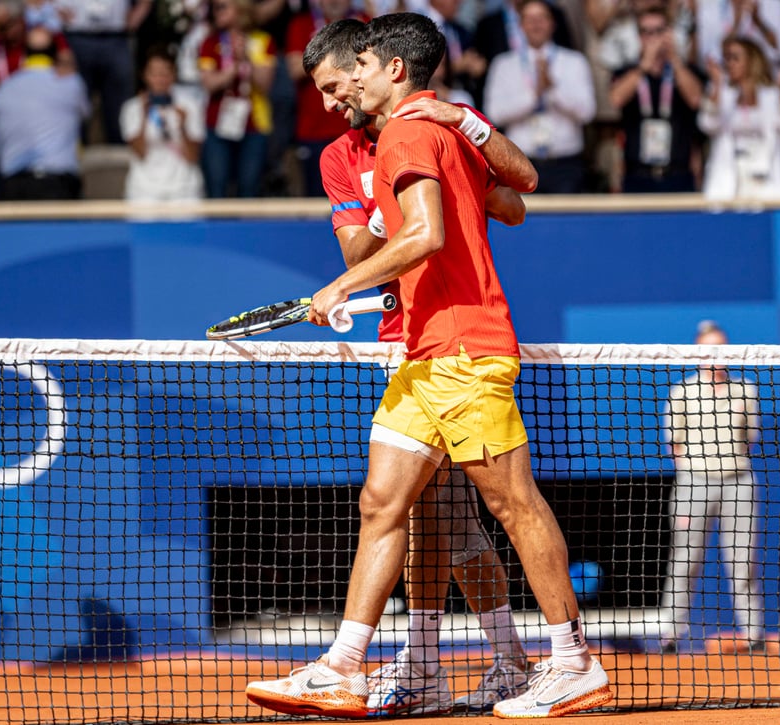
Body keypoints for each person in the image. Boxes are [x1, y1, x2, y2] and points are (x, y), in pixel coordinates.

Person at [246, 13, 614, 719]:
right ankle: (345, 665)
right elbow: (501, 199)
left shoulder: (413, 132)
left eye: (352, 72)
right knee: (383, 504)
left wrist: (342, 286)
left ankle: (572, 662)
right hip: (419, 353)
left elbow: (433, 229)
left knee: (511, 503)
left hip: (464, 347)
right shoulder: (417, 133)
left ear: (387, 67)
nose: (340, 92)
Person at [302, 17, 537, 714]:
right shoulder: (342, 156)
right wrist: (399, 203)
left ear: (367, 68)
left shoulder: (437, 121)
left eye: (332, 85)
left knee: (454, 516)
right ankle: (453, 659)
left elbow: (516, 198)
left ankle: (487, 660)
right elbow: (356, 254)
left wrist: (457, 150)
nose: (327, 103)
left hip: (459, 342)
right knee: (421, 511)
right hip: (405, 344)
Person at [658, 320, 766, 655]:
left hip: (739, 484)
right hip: (694, 483)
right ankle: (670, 636)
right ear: (698, 353)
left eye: (721, 348)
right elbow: (674, 444)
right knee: (685, 561)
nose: (716, 356)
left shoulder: (745, 390)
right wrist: (696, 473)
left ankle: (754, 636)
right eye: (709, 349)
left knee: (743, 562)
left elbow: (750, 438)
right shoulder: (682, 392)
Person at [484, 0, 597, 193]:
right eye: (529, 19)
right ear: (520, 25)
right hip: (519, 164)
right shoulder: (504, 64)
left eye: (541, 18)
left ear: (552, 23)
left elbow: (587, 112)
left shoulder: (574, 61)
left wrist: (553, 90)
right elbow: (494, 113)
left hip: (565, 166)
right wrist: (533, 95)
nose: (536, 24)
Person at [0, 26, 91, 200]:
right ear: (55, 54)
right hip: (59, 185)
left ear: (24, 54)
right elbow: (85, 114)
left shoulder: (3, 90)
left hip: (14, 186)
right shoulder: (72, 84)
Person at [609, 5, 704, 192]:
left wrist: (675, 60)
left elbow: (696, 99)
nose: (653, 38)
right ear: (639, 37)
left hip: (678, 172)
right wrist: (644, 65)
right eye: (647, 32)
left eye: (659, 31)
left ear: (669, 33)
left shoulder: (685, 70)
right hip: (637, 173)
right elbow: (616, 99)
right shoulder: (627, 72)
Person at [699, 36, 780, 200]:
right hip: (729, 183)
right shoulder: (721, 94)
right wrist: (717, 85)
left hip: (769, 181)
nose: (729, 63)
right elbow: (708, 124)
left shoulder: (773, 93)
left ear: (752, 60)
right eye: (727, 58)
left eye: (735, 58)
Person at [284, 0, 366, 197]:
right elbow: (294, 69)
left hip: (358, 126)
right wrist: (336, 51)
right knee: (317, 196)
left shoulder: (364, 23)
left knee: (361, 194)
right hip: (314, 129)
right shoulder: (302, 24)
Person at [198, 0, 276, 198]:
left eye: (222, 6)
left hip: (255, 124)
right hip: (217, 123)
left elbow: (265, 84)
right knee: (217, 186)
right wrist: (232, 69)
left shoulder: (263, 40)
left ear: (240, 10)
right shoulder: (210, 42)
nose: (216, 11)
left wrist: (246, 59)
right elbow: (209, 84)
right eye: (215, 7)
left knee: (249, 187)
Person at [57, 0, 153, 145]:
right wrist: (50, 9)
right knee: (74, 99)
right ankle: (74, 154)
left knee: (120, 104)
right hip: (75, 36)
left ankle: (121, 154)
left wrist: (137, 15)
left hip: (116, 38)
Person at [121, 46, 206, 201]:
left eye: (165, 73)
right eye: (154, 73)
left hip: (184, 188)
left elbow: (193, 156)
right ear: (145, 75)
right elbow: (139, 152)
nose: (160, 79)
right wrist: (143, 117)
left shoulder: (189, 106)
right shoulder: (132, 108)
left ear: (174, 75)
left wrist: (183, 127)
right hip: (145, 189)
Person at [695, 0, 780, 75]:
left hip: (768, 88)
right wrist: (736, 24)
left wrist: (760, 23)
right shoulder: (710, 9)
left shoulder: (776, 4)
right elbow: (708, 61)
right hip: (726, 92)